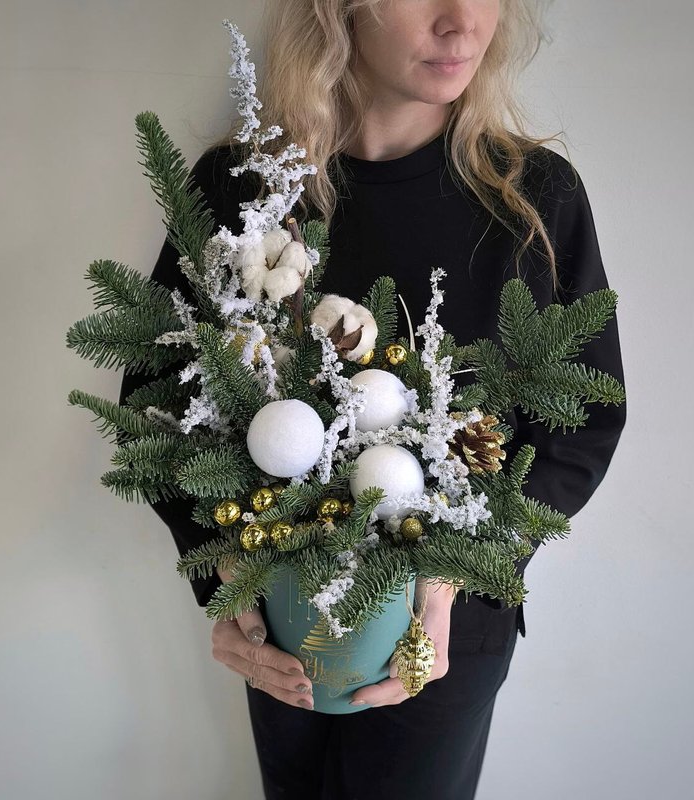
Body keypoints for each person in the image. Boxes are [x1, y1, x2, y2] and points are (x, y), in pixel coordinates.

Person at [118, 1, 627, 797]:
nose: (462, 23)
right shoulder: (246, 188)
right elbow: (152, 400)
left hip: (446, 635)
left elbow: (583, 425)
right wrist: (228, 585)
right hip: (280, 622)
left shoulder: (534, 198)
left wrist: (457, 574)